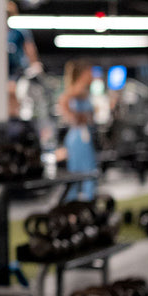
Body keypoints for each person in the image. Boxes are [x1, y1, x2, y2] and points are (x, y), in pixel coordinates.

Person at [58, 58, 97, 199]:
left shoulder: (83, 90)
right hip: (79, 136)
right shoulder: (78, 90)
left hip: (81, 135)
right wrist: (73, 116)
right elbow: (63, 100)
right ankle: (82, 207)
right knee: (86, 174)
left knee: (80, 175)